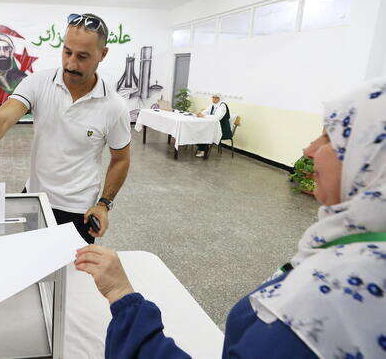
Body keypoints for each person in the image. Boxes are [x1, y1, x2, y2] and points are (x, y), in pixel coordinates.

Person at [74, 77, 386, 358]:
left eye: (328, 139)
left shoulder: (332, 298)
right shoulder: (357, 248)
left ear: (371, 160)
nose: (308, 150)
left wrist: (122, 296)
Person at [0, 13, 131, 244]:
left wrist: (104, 204)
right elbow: (3, 117)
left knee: (69, 275)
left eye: (82, 56)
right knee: (28, 264)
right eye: (67, 52)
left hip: (78, 211)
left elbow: (120, 159)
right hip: (34, 199)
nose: (71, 64)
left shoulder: (114, 106)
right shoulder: (38, 83)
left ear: (103, 54)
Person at [196, 93, 231, 158]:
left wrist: (204, 116)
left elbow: (217, 117)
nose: (214, 99)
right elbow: (206, 111)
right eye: (213, 97)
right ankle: (201, 148)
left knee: (205, 132)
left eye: (216, 98)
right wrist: (200, 114)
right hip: (213, 126)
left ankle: (203, 151)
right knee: (201, 129)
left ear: (220, 99)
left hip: (222, 128)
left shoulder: (222, 106)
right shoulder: (213, 105)